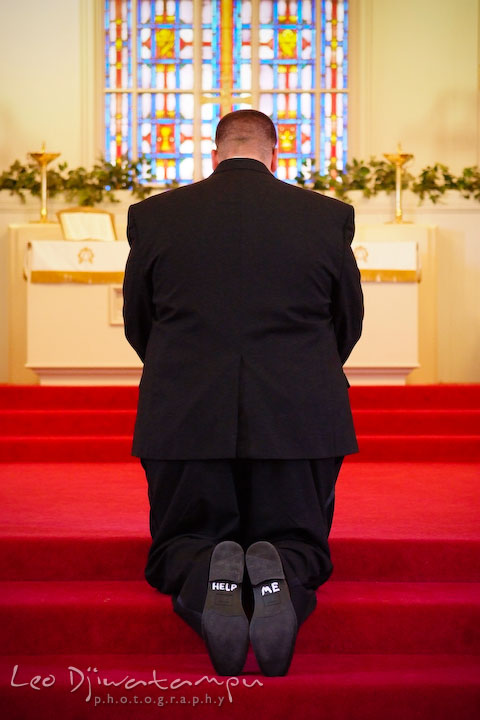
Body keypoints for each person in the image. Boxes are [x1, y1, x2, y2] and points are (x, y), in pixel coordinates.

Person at [123, 109, 363, 678]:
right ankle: (281, 571)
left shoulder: (155, 217)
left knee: (183, 538)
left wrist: (180, 375)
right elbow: (346, 322)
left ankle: (209, 573)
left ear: (216, 152)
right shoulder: (326, 217)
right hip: (299, 416)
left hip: (185, 415)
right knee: (299, 535)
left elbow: (140, 323)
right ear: (273, 154)